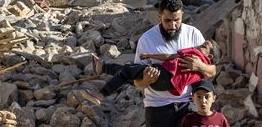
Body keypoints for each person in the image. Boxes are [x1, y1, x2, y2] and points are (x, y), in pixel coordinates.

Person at [136, 0, 217, 127]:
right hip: (157, 108)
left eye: (177, 20)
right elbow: (137, 82)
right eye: (167, 20)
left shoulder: (193, 34)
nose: (172, 26)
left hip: (189, 105)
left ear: (182, 16)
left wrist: (200, 66)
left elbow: (213, 71)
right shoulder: (146, 40)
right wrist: (147, 80)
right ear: (159, 16)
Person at [86, 40, 221, 103]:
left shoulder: (195, 54)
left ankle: (102, 94)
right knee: (128, 72)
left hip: (164, 75)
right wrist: (151, 56)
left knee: (128, 70)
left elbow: (170, 56)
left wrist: (151, 55)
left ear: (209, 57)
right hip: (166, 85)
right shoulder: (203, 73)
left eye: (204, 46)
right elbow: (213, 71)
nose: (199, 46)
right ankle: (103, 68)